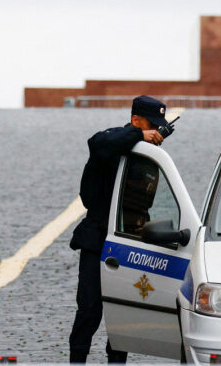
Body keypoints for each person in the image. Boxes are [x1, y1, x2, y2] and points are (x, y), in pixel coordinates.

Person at [68, 95, 172, 364]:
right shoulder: (115, 142)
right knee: (89, 311)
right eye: (152, 124)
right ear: (136, 120)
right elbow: (98, 142)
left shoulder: (146, 153)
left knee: (122, 313)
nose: (156, 131)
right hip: (98, 238)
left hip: (129, 240)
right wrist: (139, 135)